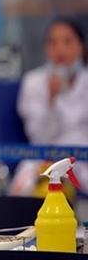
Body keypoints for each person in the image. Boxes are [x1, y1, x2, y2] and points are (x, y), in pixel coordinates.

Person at [10, 17, 88, 196]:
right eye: (53, 43)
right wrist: (51, 100)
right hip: (41, 156)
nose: (60, 49)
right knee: (23, 189)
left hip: (82, 159)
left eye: (67, 42)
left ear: (81, 47)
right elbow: (38, 135)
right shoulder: (33, 82)